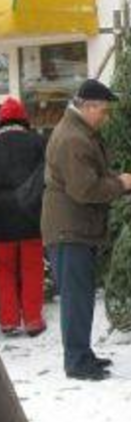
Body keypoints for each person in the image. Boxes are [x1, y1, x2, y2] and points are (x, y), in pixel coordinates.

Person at [42, 80, 131, 381]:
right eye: (104, 111)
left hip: (75, 228)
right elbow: (85, 188)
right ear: (89, 106)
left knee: (81, 296)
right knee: (75, 297)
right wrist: (121, 184)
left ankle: (82, 353)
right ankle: (77, 361)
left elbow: (93, 175)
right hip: (69, 230)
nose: (106, 117)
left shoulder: (81, 133)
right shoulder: (73, 138)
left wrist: (117, 181)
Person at [0, 97, 47, 337]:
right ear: (22, 119)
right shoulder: (37, 142)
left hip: (1, 223)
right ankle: (33, 320)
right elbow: (46, 177)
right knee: (32, 269)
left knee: (2, 270)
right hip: (31, 217)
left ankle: (8, 320)